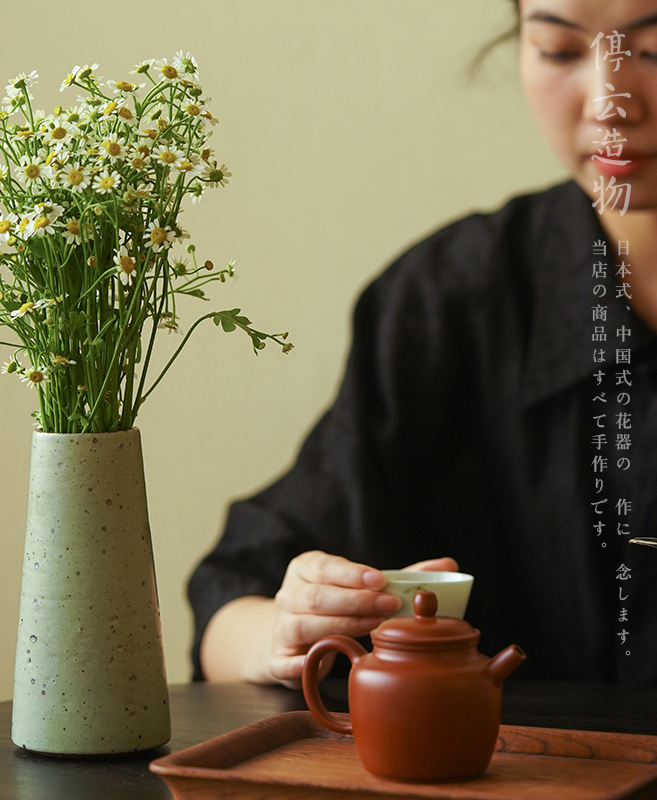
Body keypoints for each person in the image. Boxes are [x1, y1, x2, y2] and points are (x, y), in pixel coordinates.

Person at [188, 0, 657, 687]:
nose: (610, 104)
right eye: (559, 51)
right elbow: (239, 594)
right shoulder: (454, 297)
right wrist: (282, 635)